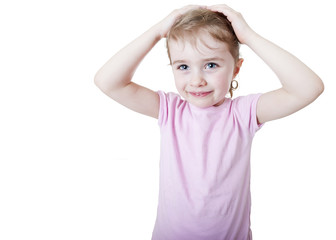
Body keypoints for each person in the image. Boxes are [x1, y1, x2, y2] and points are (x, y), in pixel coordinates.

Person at [94, 4, 324, 240]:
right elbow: (108, 81)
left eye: (211, 65)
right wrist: (156, 32)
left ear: (236, 69)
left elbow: (308, 88)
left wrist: (249, 37)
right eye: (183, 66)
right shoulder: (170, 110)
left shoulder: (242, 113)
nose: (196, 80)